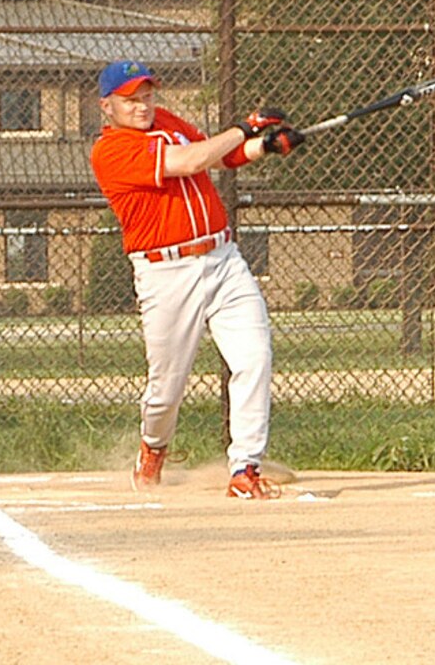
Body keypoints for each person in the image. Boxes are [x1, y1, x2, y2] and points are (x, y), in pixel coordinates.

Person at [89, 60, 303, 500]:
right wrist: (246, 126)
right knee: (166, 388)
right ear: (107, 106)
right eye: (131, 99)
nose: (142, 105)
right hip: (167, 273)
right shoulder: (110, 151)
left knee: (254, 358)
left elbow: (219, 155)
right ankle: (153, 447)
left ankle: (245, 468)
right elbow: (187, 162)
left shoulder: (166, 121)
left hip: (223, 259)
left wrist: (265, 146)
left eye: (147, 95)